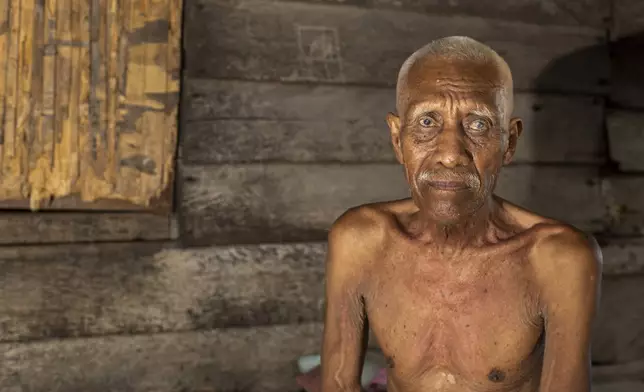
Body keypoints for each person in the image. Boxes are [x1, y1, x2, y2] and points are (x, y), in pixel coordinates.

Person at [320, 36, 602, 392]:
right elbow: (337, 385)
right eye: (426, 122)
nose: (450, 154)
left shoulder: (557, 258)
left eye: (478, 124)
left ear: (509, 142)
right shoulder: (360, 241)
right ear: (397, 139)